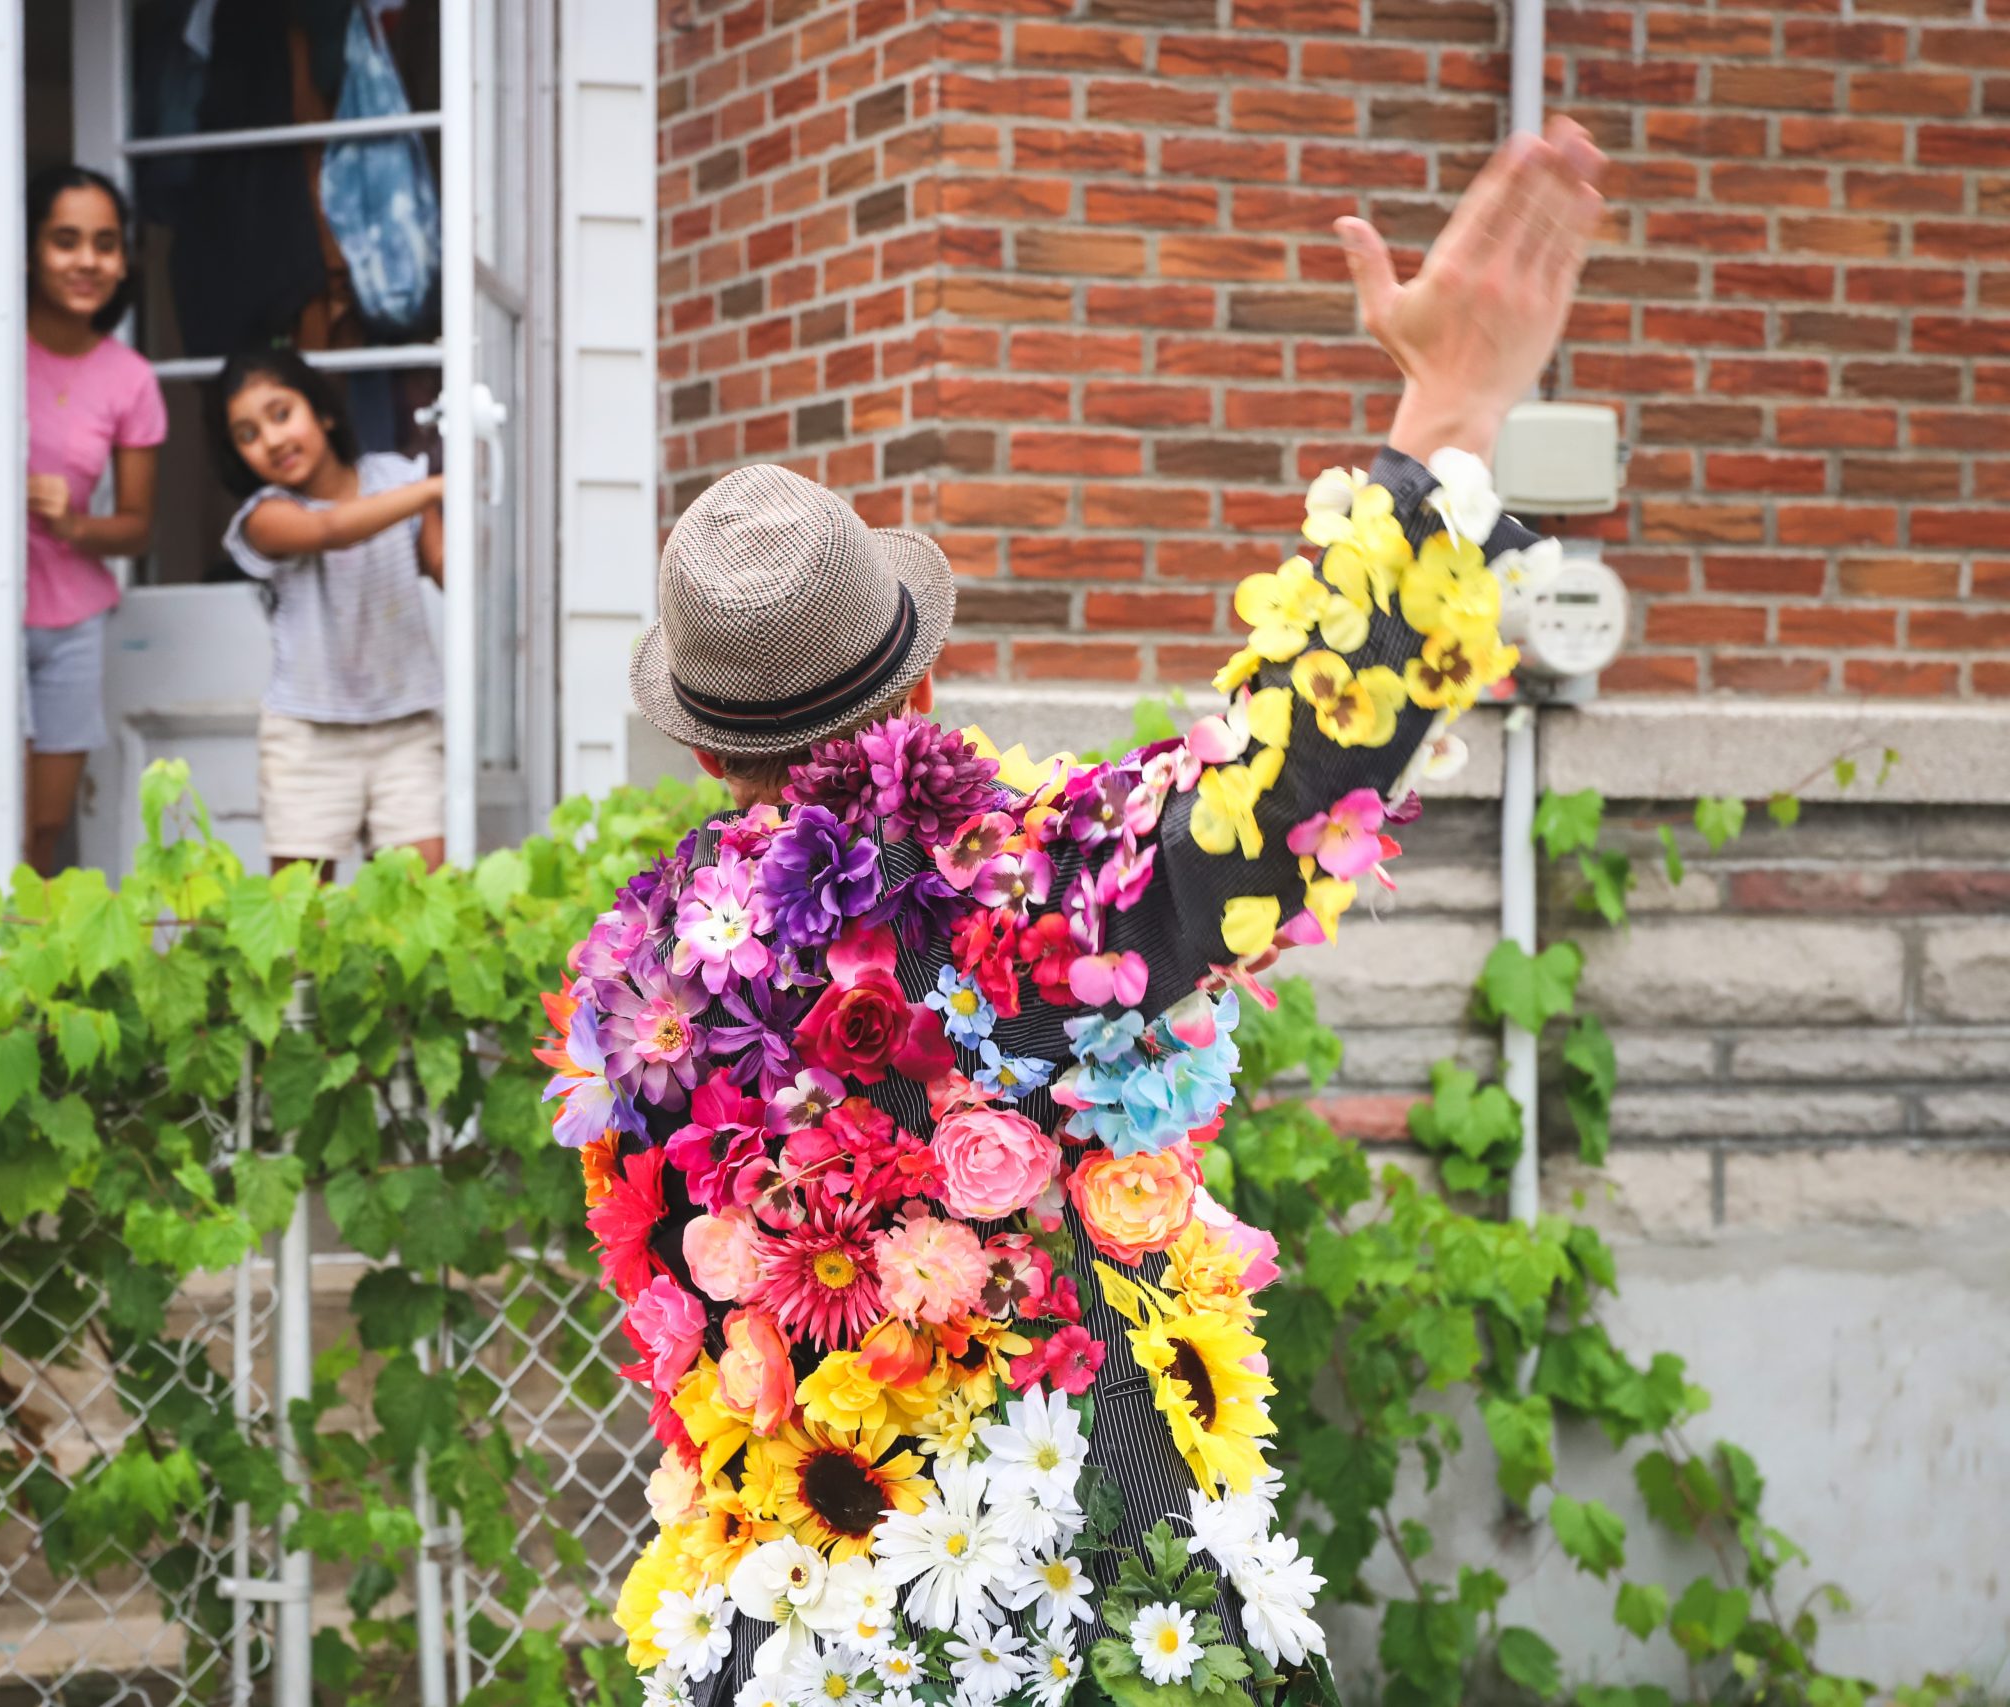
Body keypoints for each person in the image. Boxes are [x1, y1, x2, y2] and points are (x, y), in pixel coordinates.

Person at [544, 120, 1608, 1707]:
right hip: (1063, 1610)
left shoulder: (637, 992)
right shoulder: (998, 896)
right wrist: (1445, 419)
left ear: (699, 740)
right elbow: (1259, 802)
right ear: (922, 675)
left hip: (781, 1630)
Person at [207, 346, 449, 873]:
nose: (271, 440)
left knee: (422, 901)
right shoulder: (265, 516)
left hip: (406, 721)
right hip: (307, 734)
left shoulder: (396, 477)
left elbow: (445, 568)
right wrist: (431, 486)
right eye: (247, 434)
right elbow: (330, 530)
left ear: (324, 411)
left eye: (281, 414)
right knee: (302, 917)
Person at [23, 164, 167, 874]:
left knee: (45, 825)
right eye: (66, 240)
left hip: (72, 620)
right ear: (30, 250)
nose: (87, 261)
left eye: (105, 244)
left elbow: (138, 526)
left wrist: (74, 523)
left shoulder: (130, 376)